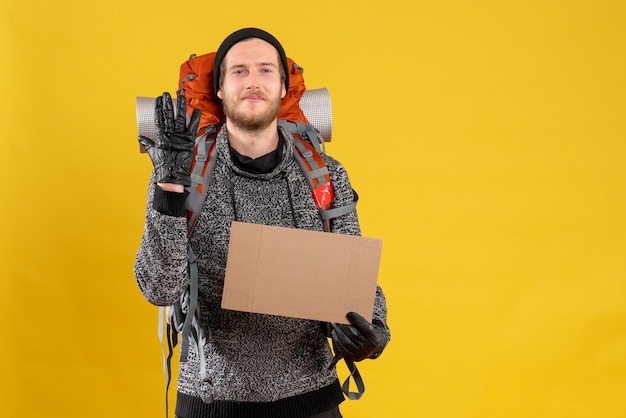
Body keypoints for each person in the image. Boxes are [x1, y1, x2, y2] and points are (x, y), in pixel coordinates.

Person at [134, 27, 390, 418]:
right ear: (219, 89)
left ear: (284, 87)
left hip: (312, 397)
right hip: (210, 399)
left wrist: (372, 335)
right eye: (238, 71)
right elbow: (159, 288)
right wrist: (169, 188)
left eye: (265, 70)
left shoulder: (324, 175)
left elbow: (355, 285)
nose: (253, 81)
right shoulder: (180, 173)